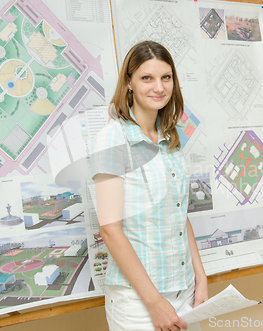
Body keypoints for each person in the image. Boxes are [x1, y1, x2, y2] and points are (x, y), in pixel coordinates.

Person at [90, 40, 208, 331]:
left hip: (184, 290)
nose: (159, 87)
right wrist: (155, 303)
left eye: (165, 77)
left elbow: (179, 213)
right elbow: (109, 229)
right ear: (129, 83)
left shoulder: (169, 138)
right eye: (147, 78)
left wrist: (201, 278)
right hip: (139, 302)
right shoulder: (112, 139)